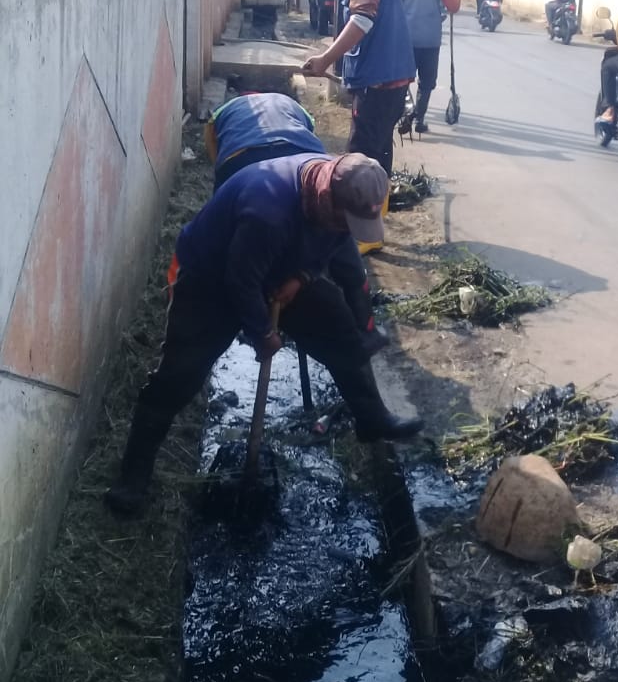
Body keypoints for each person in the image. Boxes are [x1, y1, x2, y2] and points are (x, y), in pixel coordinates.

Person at [105, 153, 422, 517]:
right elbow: (240, 281)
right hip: (210, 280)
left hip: (274, 268)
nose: (346, 228)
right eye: (344, 220)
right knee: (179, 375)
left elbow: (334, 243)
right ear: (325, 198)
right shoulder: (267, 209)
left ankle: (372, 418)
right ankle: (132, 478)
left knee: (340, 331)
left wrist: (302, 277)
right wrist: (264, 333)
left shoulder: (335, 198)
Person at [205, 91, 386, 355]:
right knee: (252, 252)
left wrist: (302, 276)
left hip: (280, 159)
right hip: (253, 157)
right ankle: (366, 331)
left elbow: (329, 234)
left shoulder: (329, 175)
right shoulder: (252, 178)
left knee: (337, 237)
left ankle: (364, 334)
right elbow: (241, 274)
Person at [301, 0, 415, 254]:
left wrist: (325, 59)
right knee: (379, 152)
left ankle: (363, 236)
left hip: (377, 80)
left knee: (359, 160)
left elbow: (362, 20)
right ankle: (375, 228)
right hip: (395, 76)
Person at [398, 0, 462, 133]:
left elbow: (395, 6)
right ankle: (418, 119)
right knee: (426, 83)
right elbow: (453, 6)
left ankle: (405, 114)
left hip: (406, 40)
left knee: (402, 80)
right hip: (430, 41)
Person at [205, 91, 327, 189]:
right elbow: (310, 127)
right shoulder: (290, 102)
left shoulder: (227, 107)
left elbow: (211, 137)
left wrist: (221, 168)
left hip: (243, 155)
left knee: (228, 207)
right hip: (305, 153)